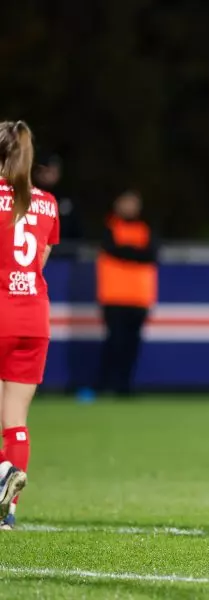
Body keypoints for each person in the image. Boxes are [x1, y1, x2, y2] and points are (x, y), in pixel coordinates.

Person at [0, 121, 60, 530]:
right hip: (34, 317)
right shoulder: (48, 203)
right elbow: (39, 262)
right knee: (15, 422)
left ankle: (3, 475)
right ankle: (8, 511)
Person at [96, 190, 158, 397]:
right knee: (114, 342)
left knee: (132, 345)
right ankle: (105, 385)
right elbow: (114, 249)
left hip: (139, 297)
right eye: (126, 203)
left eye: (133, 203)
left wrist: (126, 252)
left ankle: (124, 386)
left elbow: (151, 253)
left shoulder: (145, 228)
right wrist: (136, 253)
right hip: (114, 296)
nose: (130, 207)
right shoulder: (109, 227)